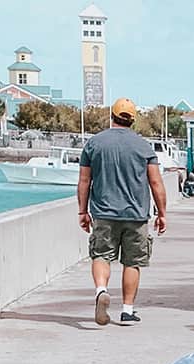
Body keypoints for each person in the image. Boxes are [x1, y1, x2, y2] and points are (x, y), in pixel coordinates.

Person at [78, 97, 167, 327]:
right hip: (136, 214)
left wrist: (82, 211)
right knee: (132, 262)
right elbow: (156, 182)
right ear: (133, 120)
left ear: (112, 116)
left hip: (103, 213)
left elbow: (85, 180)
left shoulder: (94, 144)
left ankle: (101, 290)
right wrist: (162, 213)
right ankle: (127, 311)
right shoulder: (143, 146)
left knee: (101, 256)